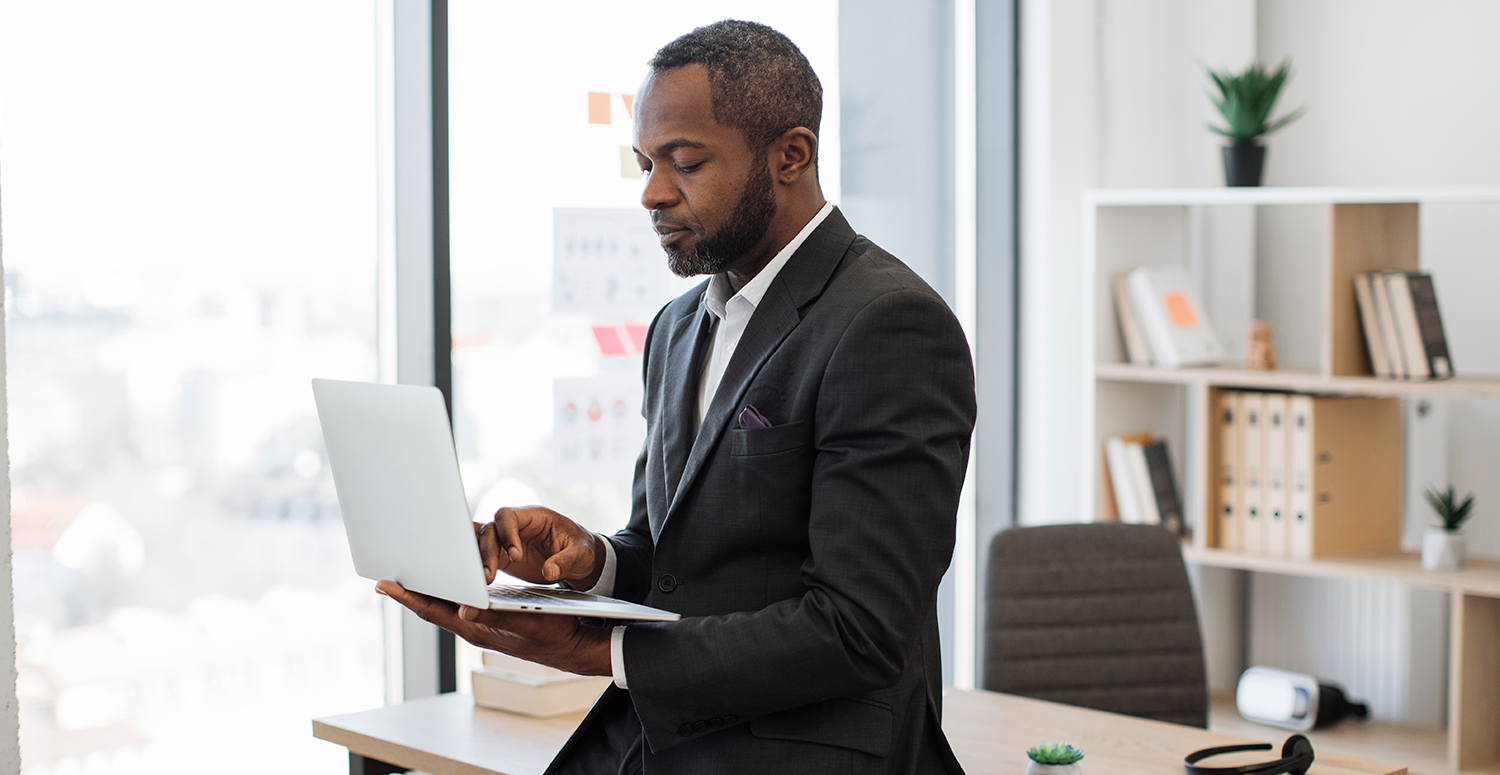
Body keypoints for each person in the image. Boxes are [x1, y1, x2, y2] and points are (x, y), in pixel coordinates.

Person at [378, 19, 976, 775]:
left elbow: (860, 629)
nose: (653, 193)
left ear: (792, 154)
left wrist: (604, 647)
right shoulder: (676, 327)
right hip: (664, 736)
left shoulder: (889, 324)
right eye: (645, 164)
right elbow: (669, 565)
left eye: (685, 163)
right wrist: (588, 562)